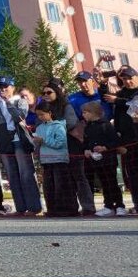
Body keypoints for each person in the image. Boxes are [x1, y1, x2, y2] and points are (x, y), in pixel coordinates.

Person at [43, 83, 96, 215]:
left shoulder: (66, 106)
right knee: (64, 178)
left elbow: (71, 122)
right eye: (44, 93)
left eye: (49, 92)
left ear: (56, 92)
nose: (45, 95)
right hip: (55, 148)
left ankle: (88, 206)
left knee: (79, 177)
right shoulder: (44, 108)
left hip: (72, 146)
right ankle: (68, 207)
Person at [0, 78, 42, 216]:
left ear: (12, 87)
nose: (3, 90)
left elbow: (19, 116)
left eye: (5, 87)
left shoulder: (20, 101)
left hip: (19, 140)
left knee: (25, 173)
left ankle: (34, 207)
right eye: (0, 87)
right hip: (5, 141)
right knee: (12, 176)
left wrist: (8, 102)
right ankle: (21, 208)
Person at [81, 101, 124, 216]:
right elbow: (86, 142)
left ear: (93, 113)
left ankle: (119, 205)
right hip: (96, 160)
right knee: (103, 183)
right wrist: (87, 149)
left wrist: (105, 147)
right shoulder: (88, 127)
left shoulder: (106, 125)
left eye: (85, 112)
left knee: (112, 182)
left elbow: (115, 140)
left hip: (109, 159)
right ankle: (108, 205)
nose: (83, 115)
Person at [32, 104, 76, 216]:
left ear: (50, 113)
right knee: (49, 186)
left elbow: (60, 143)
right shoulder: (39, 128)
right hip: (46, 161)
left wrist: (44, 141)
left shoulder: (59, 126)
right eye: (38, 115)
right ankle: (52, 209)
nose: (40, 117)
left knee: (61, 185)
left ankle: (65, 209)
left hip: (59, 160)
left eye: (42, 114)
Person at [108, 66, 138, 211]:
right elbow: (117, 117)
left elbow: (133, 104)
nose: (127, 81)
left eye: (130, 78)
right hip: (128, 141)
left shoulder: (120, 97)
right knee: (132, 174)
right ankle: (137, 204)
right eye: (124, 79)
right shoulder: (121, 93)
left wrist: (118, 100)